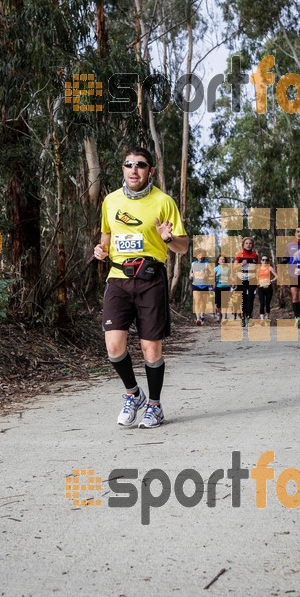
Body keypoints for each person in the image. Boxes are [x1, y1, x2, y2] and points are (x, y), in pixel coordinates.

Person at [94, 147, 188, 428]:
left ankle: (155, 406)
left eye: (141, 165)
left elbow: (182, 247)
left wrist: (169, 238)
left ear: (151, 171)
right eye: (128, 164)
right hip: (118, 278)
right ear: (123, 169)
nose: (134, 169)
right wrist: (101, 250)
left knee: (150, 349)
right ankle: (133, 394)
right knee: (113, 345)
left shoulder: (164, 202)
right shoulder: (110, 201)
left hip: (150, 279)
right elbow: (106, 240)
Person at [233, 237, 259, 326]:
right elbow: (234, 267)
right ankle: (243, 317)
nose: (248, 245)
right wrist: (241, 264)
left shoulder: (255, 255)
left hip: (252, 278)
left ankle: (249, 316)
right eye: (246, 243)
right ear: (243, 245)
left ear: (252, 245)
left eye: (250, 243)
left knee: (251, 298)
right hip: (241, 278)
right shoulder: (239, 254)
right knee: (243, 298)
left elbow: (258, 268)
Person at [190, 251, 213, 325]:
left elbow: (212, 273)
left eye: (202, 255)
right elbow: (190, 274)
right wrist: (191, 275)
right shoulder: (193, 264)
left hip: (204, 285)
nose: (200, 257)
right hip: (195, 285)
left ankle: (202, 315)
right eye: (199, 255)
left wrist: (207, 275)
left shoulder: (206, 264)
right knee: (197, 301)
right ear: (196, 256)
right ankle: (198, 318)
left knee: (203, 303)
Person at [257, 255, 277, 321]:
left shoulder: (270, 268)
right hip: (261, 288)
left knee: (267, 303)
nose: (264, 261)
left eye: (266, 260)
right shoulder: (258, 269)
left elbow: (277, 276)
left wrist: (271, 280)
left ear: (268, 261)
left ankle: (267, 316)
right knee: (262, 303)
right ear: (261, 261)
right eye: (263, 260)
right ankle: (262, 319)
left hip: (268, 287)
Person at [214, 254, 231, 321]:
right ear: (218, 261)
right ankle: (219, 314)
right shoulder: (216, 268)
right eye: (221, 259)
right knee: (218, 303)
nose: (222, 260)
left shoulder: (228, 269)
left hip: (226, 287)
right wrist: (216, 276)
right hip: (218, 287)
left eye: (223, 259)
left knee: (225, 302)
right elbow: (212, 278)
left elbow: (230, 277)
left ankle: (224, 317)